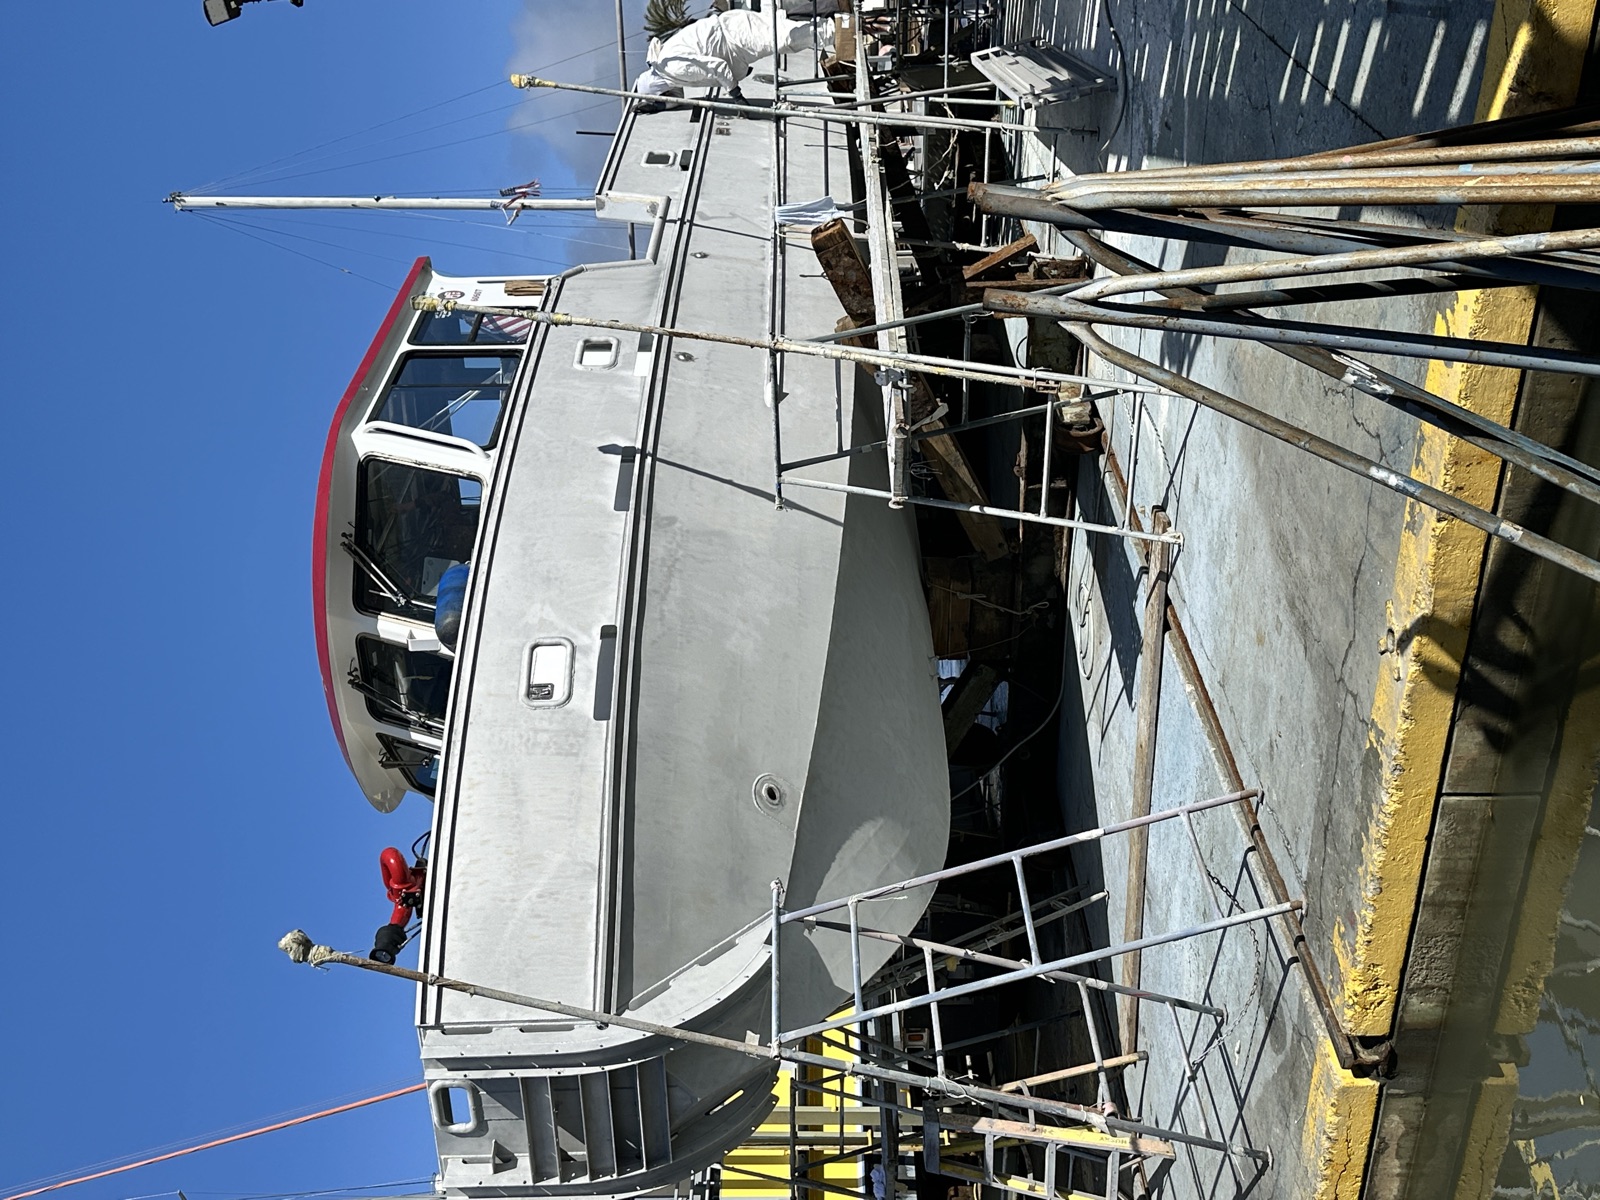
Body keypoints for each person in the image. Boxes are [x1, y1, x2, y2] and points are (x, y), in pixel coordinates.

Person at [632, 8, 838, 110]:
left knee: (786, 39)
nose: (672, 94)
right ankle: (840, 29)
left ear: (660, 89)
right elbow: (676, 100)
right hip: (735, 40)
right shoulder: (665, 64)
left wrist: (735, 94)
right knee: (787, 38)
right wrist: (654, 106)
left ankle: (843, 30)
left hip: (735, 35)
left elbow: (717, 66)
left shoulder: (673, 69)